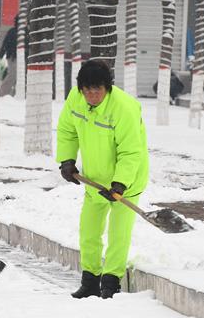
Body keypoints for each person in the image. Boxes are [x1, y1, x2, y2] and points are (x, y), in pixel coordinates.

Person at [56, 59, 150, 299]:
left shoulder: (124, 108)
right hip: (95, 179)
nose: (91, 95)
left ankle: (110, 282)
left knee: (118, 234)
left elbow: (131, 151)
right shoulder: (75, 99)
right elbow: (67, 130)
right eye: (87, 90)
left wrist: (120, 183)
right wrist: (67, 160)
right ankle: (90, 280)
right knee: (89, 231)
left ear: (107, 87)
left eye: (97, 89)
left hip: (126, 181)